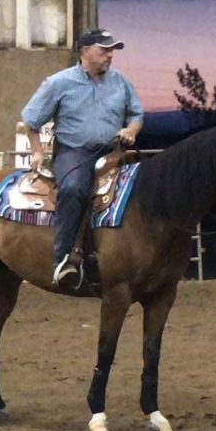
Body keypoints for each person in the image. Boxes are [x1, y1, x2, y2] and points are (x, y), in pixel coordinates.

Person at [21, 28, 143, 287]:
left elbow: (136, 114)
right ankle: (63, 259)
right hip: (75, 152)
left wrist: (130, 130)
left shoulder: (121, 81)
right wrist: (37, 151)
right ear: (85, 51)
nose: (110, 55)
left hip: (116, 151)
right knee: (75, 189)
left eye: (112, 50)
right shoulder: (58, 83)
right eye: (104, 49)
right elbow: (30, 121)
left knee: (143, 190)